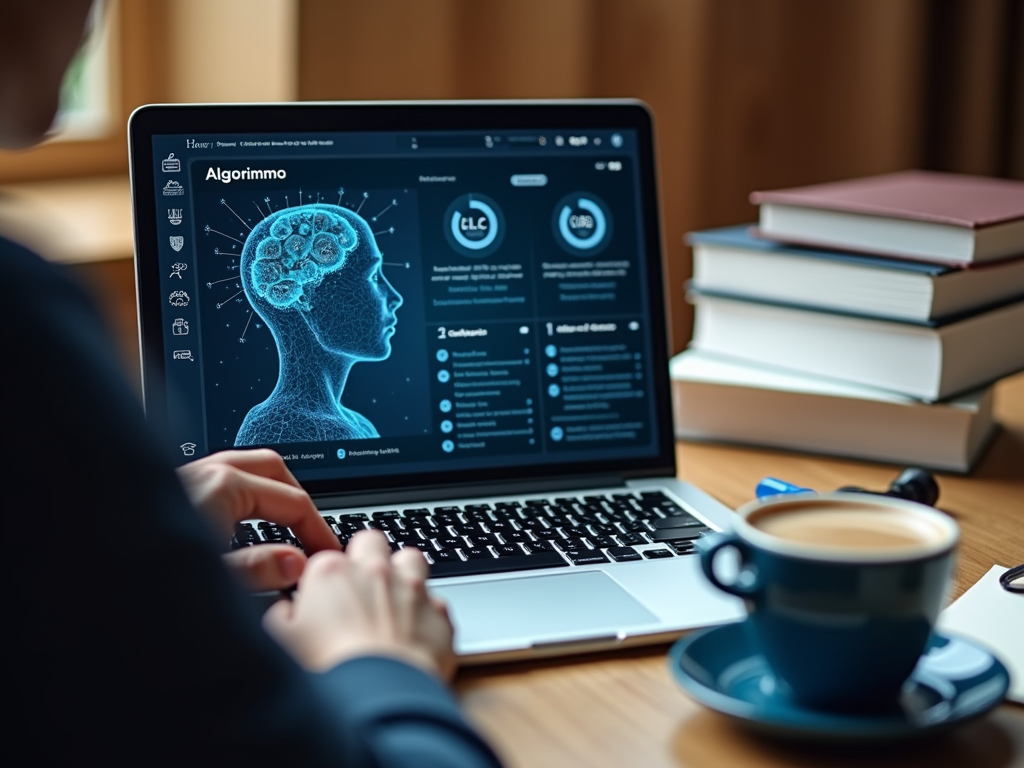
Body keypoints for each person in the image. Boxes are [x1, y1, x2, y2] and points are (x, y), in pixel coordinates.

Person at [2, 3, 502, 766]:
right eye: (369, 276)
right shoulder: (19, 319)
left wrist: (132, 558)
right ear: (299, 291)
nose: (394, 297)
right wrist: (382, 666)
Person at [235, 203, 402, 445]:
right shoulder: (282, 429)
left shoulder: (358, 424)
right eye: (373, 276)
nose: (396, 298)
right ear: (304, 296)